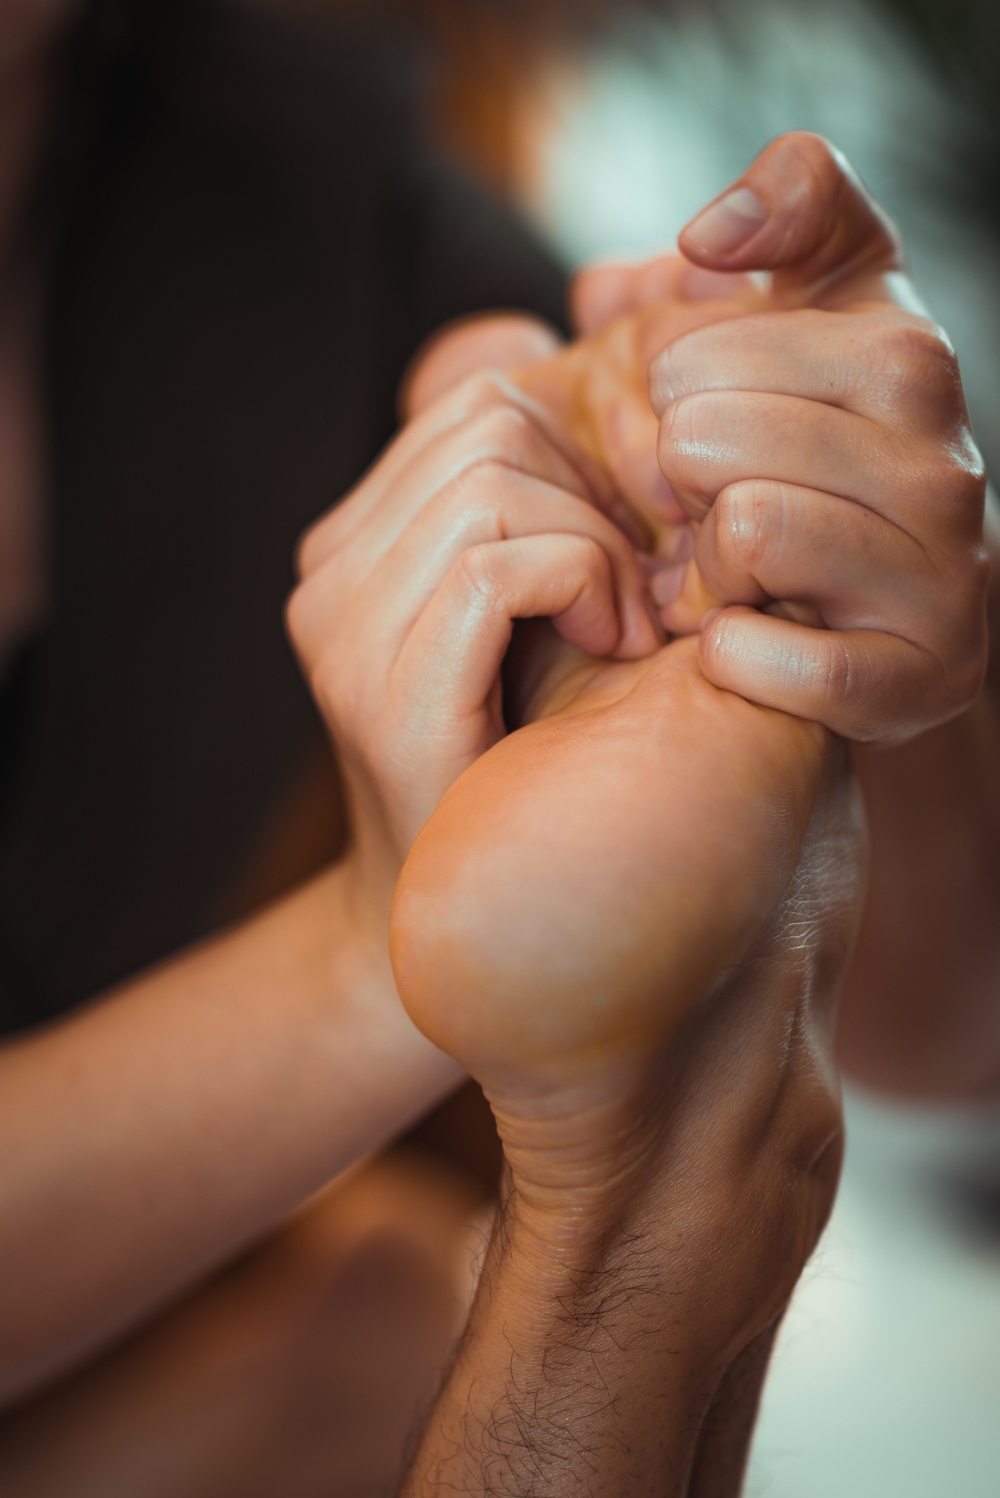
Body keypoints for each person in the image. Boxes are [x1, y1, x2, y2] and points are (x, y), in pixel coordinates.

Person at [0, 2, 987, 1492]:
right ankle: (669, 1192)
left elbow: (947, 1032)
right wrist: (372, 957)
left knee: (377, 1314)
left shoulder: (313, 189)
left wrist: (844, 570)